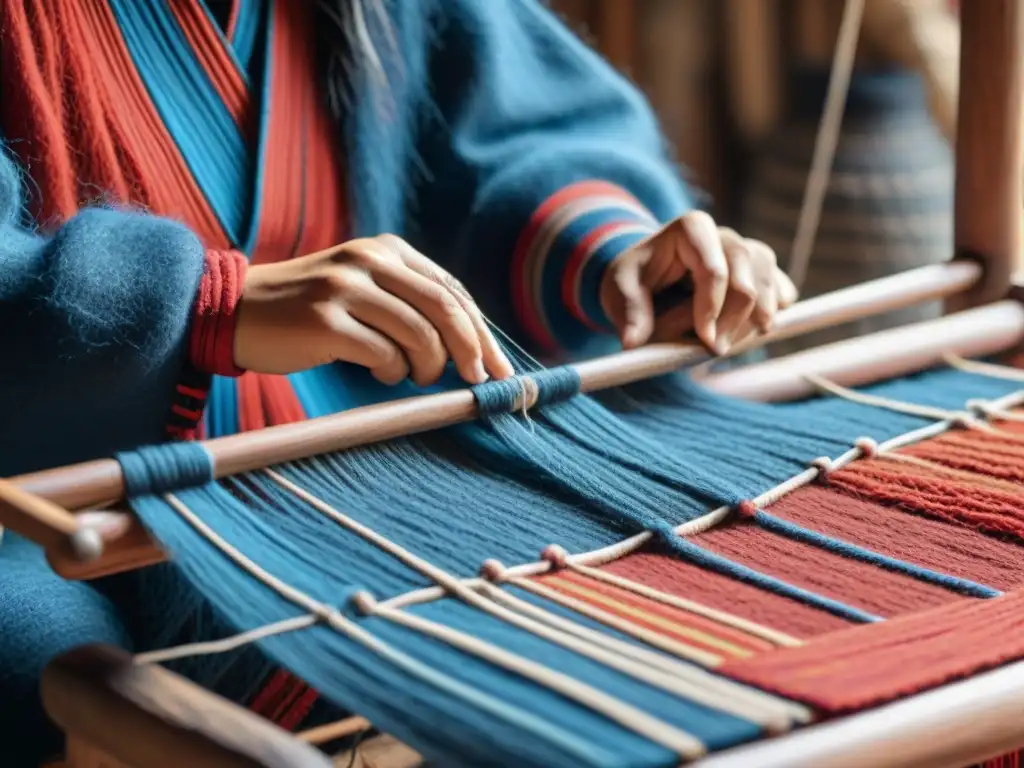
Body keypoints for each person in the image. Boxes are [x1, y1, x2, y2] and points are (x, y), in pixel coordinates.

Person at [0, 0, 796, 763]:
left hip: (374, 440)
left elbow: (507, 132)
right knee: (46, 662)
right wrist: (206, 306)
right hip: (54, 503)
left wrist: (615, 254)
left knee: (703, 559)